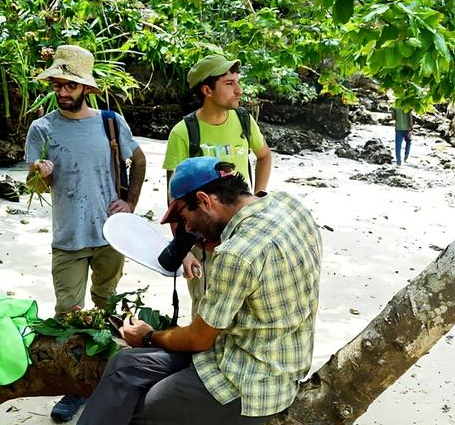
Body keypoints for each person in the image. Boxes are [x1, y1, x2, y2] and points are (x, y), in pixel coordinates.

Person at [77, 156, 322, 425]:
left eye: (185, 217)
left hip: (250, 384)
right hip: (258, 354)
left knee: (145, 410)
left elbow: (198, 339)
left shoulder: (236, 254)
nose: (189, 228)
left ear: (205, 200)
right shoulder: (289, 205)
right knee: (125, 366)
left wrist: (148, 337)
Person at [25, 44, 146, 315]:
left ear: (86, 89)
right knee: (67, 313)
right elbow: (35, 187)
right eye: (57, 86)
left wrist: (130, 203)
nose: (63, 92)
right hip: (69, 237)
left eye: (70, 86)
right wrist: (38, 174)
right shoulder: (42, 129)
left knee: (107, 307)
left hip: (111, 233)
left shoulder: (111, 122)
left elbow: (139, 160)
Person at [162, 54, 272, 315]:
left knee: (248, 308)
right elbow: (175, 201)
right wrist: (184, 253)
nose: (238, 90)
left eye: (237, 82)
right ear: (207, 90)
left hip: (245, 235)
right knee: (206, 311)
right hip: (204, 241)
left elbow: (264, 156)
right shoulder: (184, 132)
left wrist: (258, 197)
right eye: (229, 83)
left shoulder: (244, 120)